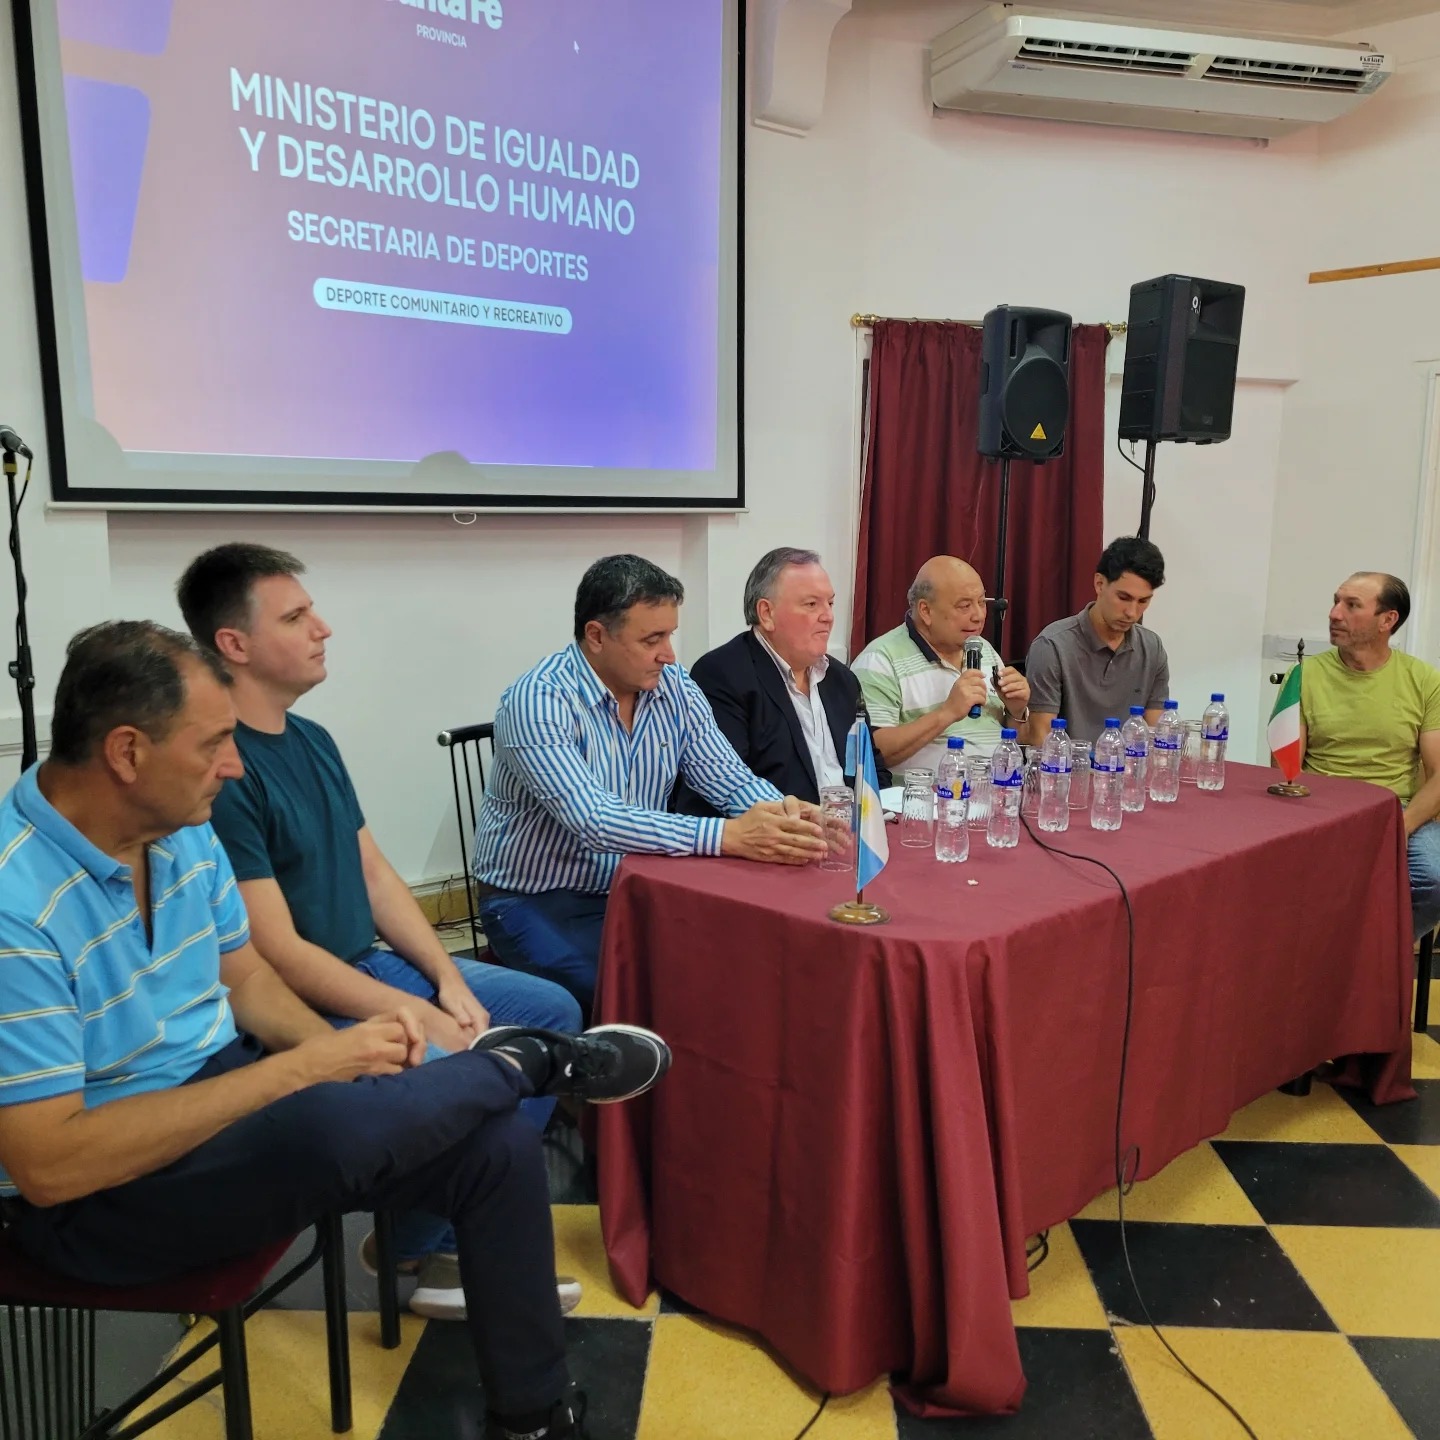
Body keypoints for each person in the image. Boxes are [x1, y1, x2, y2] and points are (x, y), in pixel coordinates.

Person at [0, 621, 673, 1440]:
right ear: (127, 752)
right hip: (99, 1197)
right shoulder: (15, 906)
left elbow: (249, 980)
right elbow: (51, 1166)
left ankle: (533, 1417)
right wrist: (307, 1069)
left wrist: (327, 1056)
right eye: (212, 744)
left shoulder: (179, 830)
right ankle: (528, 1063)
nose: (233, 765)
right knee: (323, 1117)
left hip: (220, 1098)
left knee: (491, 1145)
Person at [176, 542, 583, 1323]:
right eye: (296, 617)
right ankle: (439, 1247)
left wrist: (448, 978)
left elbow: (375, 876)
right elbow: (277, 957)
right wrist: (418, 1015)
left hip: (365, 965)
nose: (322, 628)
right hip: (296, 1003)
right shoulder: (224, 770)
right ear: (234, 643)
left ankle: (415, 1238)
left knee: (551, 1014)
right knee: (476, 1066)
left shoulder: (313, 740)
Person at [474, 554, 828, 1010]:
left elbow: (729, 781)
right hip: (536, 901)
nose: (670, 655)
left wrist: (787, 816)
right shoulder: (538, 700)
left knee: (737, 968)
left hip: (640, 884)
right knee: (645, 996)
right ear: (596, 636)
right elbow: (595, 820)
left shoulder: (673, 685)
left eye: (670, 635)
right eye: (651, 639)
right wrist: (729, 835)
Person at [678, 547, 889, 812]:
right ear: (766, 613)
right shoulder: (723, 674)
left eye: (830, 603)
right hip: (782, 829)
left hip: (855, 827)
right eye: (811, 604)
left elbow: (873, 770)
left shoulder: (842, 679)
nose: (828, 616)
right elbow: (726, 787)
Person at [1288, 572, 1440, 939]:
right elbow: (1286, 770)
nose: (1334, 613)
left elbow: (1438, 774)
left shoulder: (1423, 679)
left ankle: (1377, 956)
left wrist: (1401, 826)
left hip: (1396, 809)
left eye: (1352, 605)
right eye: (1336, 601)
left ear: (1388, 620)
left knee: (1434, 880)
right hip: (1322, 809)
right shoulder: (1304, 675)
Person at [851, 556, 1031, 775]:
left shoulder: (984, 649)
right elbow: (872, 752)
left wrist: (1016, 711)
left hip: (999, 787)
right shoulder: (880, 660)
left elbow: (1018, 741)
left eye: (982, 602)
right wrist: (947, 713)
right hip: (929, 793)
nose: (979, 616)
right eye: (964, 606)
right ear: (926, 611)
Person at [1023, 536, 1170, 746]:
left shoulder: (1152, 648)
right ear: (1099, 584)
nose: (1132, 612)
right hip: (1069, 765)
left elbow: (1158, 737)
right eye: (1124, 598)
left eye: (1143, 601)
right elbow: (1041, 740)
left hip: (1130, 765)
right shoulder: (1052, 646)